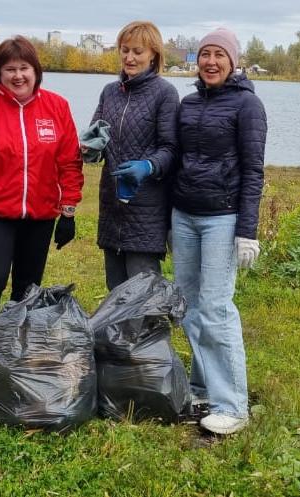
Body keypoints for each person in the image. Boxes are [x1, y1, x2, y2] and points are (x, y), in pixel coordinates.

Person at [0, 36, 84, 371]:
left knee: (27, 286)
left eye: (24, 68)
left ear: (36, 71)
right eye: (10, 69)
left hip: (40, 214)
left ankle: (15, 350)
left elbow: (69, 162)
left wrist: (68, 212)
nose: (18, 75)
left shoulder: (57, 107)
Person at [171, 27, 267, 434]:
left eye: (219, 55)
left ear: (233, 62)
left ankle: (233, 405)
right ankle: (202, 387)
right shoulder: (188, 103)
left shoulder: (248, 106)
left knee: (216, 308)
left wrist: (247, 230)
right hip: (184, 216)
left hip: (221, 218)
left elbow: (253, 171)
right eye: (204, 54)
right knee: (189, 307)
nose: (210, 61)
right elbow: (175, 158)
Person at [90, 21, 179, 291]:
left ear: (153, 54)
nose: (129, 57)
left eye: (138, 51)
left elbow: (172, 149)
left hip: (146, 206)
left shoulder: (165, 94)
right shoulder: (109, 92)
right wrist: (89, 148)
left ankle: (149, 335)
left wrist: (148, 165)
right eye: (125, 50)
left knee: (143, 292)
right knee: (115, 289)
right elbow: (97, 134)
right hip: (112, 204)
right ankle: (119, 335)